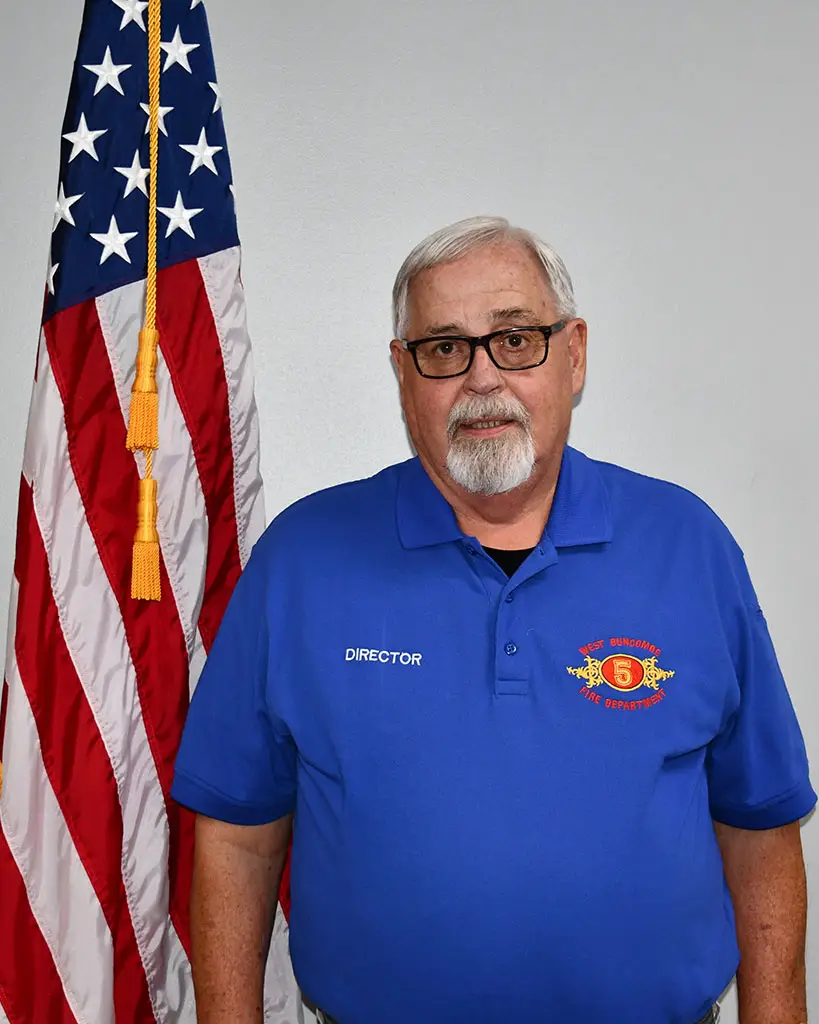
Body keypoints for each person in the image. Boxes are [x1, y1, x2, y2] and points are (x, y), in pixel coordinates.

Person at [171, 216, 814, 1024]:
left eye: (515, 340)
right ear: (403, 374)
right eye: (443, 348)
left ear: (573, 353)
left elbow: (759, 823)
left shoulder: (688, 545)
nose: (481, 378)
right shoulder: (301, 560)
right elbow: (237, 836)